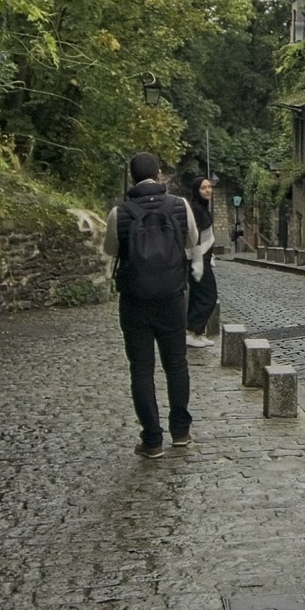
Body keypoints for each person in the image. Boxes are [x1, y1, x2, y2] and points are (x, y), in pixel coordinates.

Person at [110, 152, 196, 451]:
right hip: (172, 297)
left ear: (132, 177)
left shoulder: (119, 213)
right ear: (159, 174)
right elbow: (191, 242)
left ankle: (152, 439)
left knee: (142, 369)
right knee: (176, 364)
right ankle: (181, 431)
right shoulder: (180, 206)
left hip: (135, 301)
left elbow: (111, 249)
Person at [183, 169, 220, 346]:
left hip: (203, 259)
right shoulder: (196, 209)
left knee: (198, 296)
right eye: (203, 188)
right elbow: (195, 238)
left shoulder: (201, 207)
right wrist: (198, 263)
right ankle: (193, 332)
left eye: (209, 187)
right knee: (209, 296)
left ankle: (196, 332)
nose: (208, 190)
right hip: (198, 260)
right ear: (196, 191)